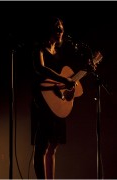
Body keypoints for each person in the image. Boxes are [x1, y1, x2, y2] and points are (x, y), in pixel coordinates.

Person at [30, 16, 97, 179]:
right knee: (41, 147)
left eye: (62, 28)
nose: (61, 31)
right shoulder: (39, 48)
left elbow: (68, 83)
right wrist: (64, 80)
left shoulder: (60, 53)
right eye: (57, 27)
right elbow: (40, 68)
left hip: (56, 104)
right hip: (42, 102)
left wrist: (76, 81)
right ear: (49, 30)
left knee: (53, 146)